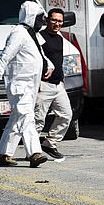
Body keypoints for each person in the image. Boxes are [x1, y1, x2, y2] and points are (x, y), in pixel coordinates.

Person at [0, 1, 53, 168]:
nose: (43, 21)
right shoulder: (18, 33)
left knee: (17, 118)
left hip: (31, 85)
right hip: (19, 85)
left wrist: (49, 66)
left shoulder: (32, 34)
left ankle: (4, 154)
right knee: (26, 116)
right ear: (31, 17)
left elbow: (40, 55)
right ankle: (34, 153)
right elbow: (5, 55)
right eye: (40, 18)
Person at [35, 8, 72, 160]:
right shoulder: (40, 37)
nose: (57, 24)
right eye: (54, 20)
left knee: (66, 115)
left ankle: (50, 143)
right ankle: (33, 152)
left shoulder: (59, 38)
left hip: (58, 85)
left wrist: (62, 79)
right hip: (44, 85)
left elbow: (59, 60)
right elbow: (36, 60)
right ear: (47, 20)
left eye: (60, 21)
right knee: (38, 119)